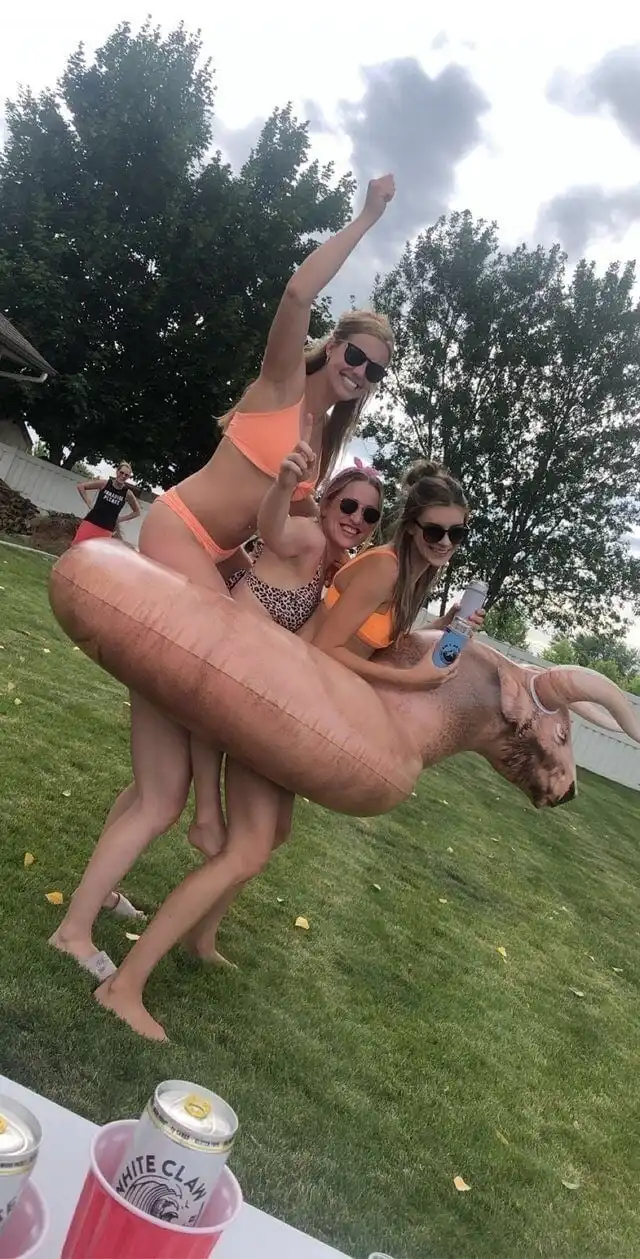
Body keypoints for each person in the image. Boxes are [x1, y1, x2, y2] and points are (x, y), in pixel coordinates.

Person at [50, 173, 397, 984]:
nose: (360, 371)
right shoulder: (281, 385)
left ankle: (111, 885)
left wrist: (265, 562)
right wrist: (368, 216)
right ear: (333, 345)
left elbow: (268, 529)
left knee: (159, 767)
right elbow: (297, 291)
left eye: (375, 371)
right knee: (223, 677)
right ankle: (190, 829)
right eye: (355, 355)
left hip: (210, 554)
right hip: (177, 531)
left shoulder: (323, 437)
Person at [90, 458, 482, 1041]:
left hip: (299, 703)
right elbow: (325, 649)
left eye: (457, 533)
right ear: (411, 526)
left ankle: (201, 937)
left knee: (272, 835)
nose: (445, 542)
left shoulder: (408, 578)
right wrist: (413, 680)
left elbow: (362, 641)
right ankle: (123, 987)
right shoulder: (384, 567)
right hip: (280, 698)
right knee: (245, 850)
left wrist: (444, 624)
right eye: (435, 530)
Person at [74, 462, 140, 544]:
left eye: (126, 475)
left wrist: (120, 519)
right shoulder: (104, 484)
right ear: (117, 472)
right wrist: (89, 503)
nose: (123, 476)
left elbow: (137, 512)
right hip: (90, 522)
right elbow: (81, 486)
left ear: (128, 477)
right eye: (121, 473)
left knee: (96, 552)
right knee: (77, 547)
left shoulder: (127, 493)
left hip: (107, 529)